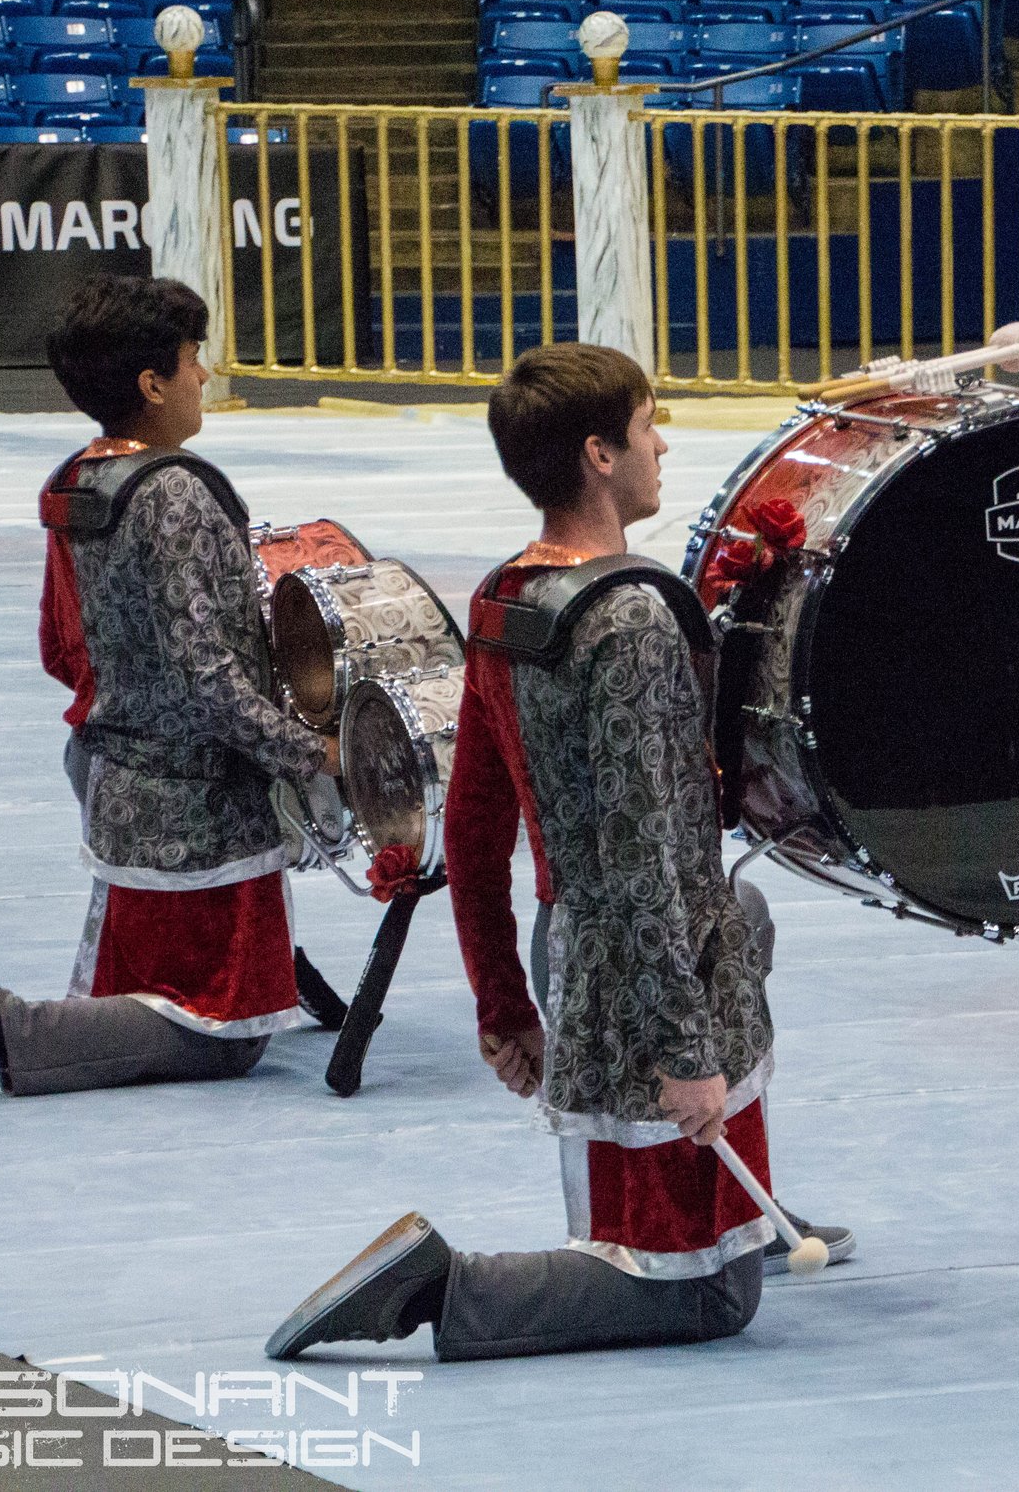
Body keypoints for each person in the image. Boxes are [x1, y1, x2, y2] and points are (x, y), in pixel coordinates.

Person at [267, 343, 849, 1363]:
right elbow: (641, 855)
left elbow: (476, 827)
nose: (660, 443)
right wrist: (683, 1049)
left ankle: (738, 1213)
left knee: (700, 1245)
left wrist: (504, 1004)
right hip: (651, 967)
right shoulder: (628, 620)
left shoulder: (506, 597)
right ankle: (443, 1284)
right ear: (596, 453)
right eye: (645, 425)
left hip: (575, 947)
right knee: (709, 1299)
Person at [0, 276, 338, 1110]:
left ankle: (16, 1026)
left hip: (118, 779)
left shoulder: (77, 481)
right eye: (193, 359)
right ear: (152, 383)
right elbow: (211, 680)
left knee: (168, 1002)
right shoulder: (178, 492)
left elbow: (63, 645)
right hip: (201, 809)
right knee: (220, 1036)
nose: (204, 377)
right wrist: (317, 752)